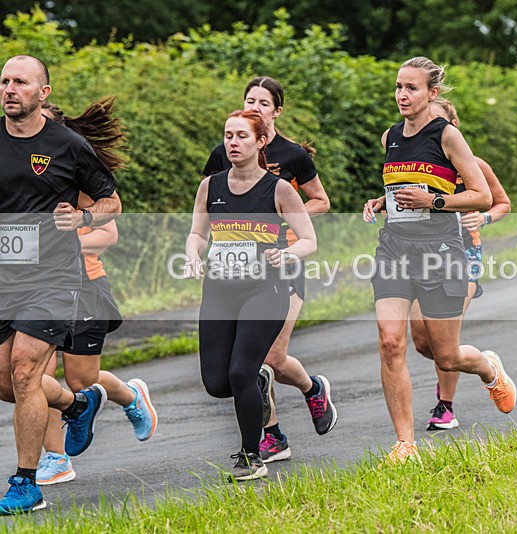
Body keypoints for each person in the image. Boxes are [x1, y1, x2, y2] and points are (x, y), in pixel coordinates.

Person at [362, 57, 517, 464]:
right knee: (390, 341)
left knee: (445, 355)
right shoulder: (390, 136)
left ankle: (488, 369)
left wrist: (434, 201)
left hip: (440, 252)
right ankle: (405, 444)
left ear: (432, 93)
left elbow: (482, 196)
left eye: (411, 88)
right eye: (398, 87)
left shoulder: (447, 136)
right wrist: (383, 201)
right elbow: (403, 186)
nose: (401, 95)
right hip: (394, 249)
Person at [0, 55, 121, 514]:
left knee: (27, 369)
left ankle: (26, 483)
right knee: (10, 385)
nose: (10, 89)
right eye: (4, 81)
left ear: (42, 93)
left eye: (21, 82)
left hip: (54, 278)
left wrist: (84, 216)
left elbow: (112, 202)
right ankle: (75, 404)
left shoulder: (68, 145)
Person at [203, 77, 335, 464]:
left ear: (277, 111)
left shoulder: (293, 155)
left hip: (283, 261)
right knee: (253, 364)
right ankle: (272, 435)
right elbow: (214, 203)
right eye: (249, 100)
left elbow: (321, 202)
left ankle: (312, 388)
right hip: (233, 270)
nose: (256, 107)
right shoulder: (225, 149)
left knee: (272, 357)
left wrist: (280, 221)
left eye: (263, 103)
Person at [186, 109, 316, 480]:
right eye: (228, 135)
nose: (232, 142)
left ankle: (250, 456)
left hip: (265, 288)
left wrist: (286, 253)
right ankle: (258, 381)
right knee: (216, 383)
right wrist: (193, 253)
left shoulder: (279, 189)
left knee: (240, 370)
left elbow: (309, 240)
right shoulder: (211, 186)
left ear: (260, 142)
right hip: (219, 289)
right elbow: (197, 232)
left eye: (242, 136)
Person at [36, 99, 157, 486]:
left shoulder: (79, 183)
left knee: (80, 382)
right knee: (35, 374)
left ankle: (131, 397)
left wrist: (59, 247)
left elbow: (109, 232)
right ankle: (55, 458)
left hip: (85, 286)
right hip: (37, 292)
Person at [408, 97, 511, 431]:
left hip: (465, 255)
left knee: (444, 339)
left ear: (452, 127)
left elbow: (502, 203)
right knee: (423, 342)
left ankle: (445, 406)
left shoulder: (475, 165)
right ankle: (485, 361)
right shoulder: (416, 164)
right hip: (422, 254)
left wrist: (483, 218)